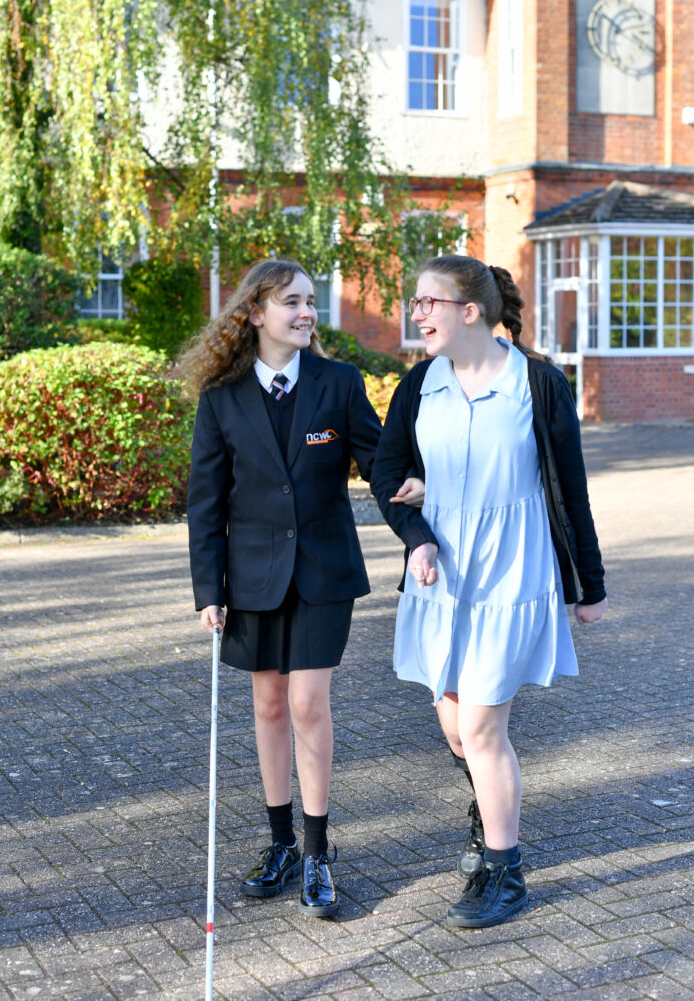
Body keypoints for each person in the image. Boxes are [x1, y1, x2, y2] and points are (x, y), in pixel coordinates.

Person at [371, 254, 607, 929]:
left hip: (512, 569)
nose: (416, 313)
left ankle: (504, 871)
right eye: (413, 302)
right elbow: (389, 471)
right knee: (453, 727)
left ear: (468, 310)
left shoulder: (536, 383)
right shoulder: (417, 385)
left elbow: (569, 486)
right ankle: (486, 809)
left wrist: (587, 584)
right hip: (440, 573)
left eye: (427, 302)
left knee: (480, 725)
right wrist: (414, 533)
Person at [184, 258, 421, 918]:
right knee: (267, 706)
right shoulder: (222, 397)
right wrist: (210, 587)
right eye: (291, 301)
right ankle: (281, 843)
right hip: (250, 575)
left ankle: (318, 852)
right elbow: (206, 503)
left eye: (311, 301)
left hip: (323, 570)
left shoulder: (339, 384)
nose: (306, 312)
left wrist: (417, 526)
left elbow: (382, 467)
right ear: (255, 313)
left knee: (308, 703)